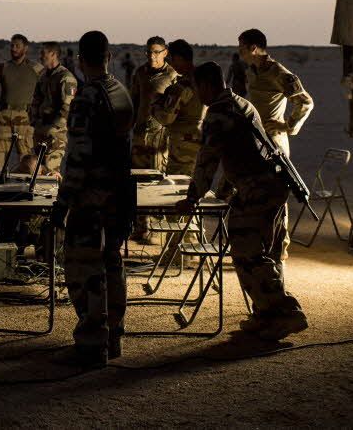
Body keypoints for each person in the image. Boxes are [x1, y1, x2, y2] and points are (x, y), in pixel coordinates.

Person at [177, 62, 308, 340]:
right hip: (271, 187)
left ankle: (286, 312)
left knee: (249, 254)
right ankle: (266, 315)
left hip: (257, 190)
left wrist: (192, 197)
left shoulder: (219, 113)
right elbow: (236, 153)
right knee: (268, 253)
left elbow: (208, 160)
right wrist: (223, 195)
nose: (198, 96)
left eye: (198, 88)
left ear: (207, 85)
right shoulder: (242, 103)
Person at [50, 30, 134, 367]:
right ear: (109, 56)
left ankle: (92, 342)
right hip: (119, 194)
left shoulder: (87, 97)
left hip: (91, 198)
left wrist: (63, 202)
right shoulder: (120, 92)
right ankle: (114, 335)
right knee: (113, 264)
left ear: (81, 61)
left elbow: (79, 155)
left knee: (86, 269)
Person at [128, 35, 178, 243]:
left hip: (160, 137)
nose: (152, 56)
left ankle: (161, 228)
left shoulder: (172, 75)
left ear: (165, 52)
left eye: (156, 52)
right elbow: (134, 101)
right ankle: (142, 227)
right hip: (140, 135)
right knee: (138, 181)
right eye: (149, 51)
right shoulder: (140, 73)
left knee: (159, 180)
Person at [236, 29, 314, 156]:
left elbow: (305, 102)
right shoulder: (251, 72)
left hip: (274, 144)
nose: (240, 54)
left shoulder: (278, 73)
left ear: (253, 48)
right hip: (256, 139)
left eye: (242, 49)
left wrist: (287, 126)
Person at [0, 33, 42, 171]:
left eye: (17, 46)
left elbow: (48, 86)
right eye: (12, 45)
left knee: (26, 158)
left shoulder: (36, 68)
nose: (13, 48)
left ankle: (24, 189)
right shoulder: (3, 67)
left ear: (25, 48)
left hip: (25, 117)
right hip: (4, 117)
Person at [150, 39, 204, 177]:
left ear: (180, 58)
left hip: (182, 149)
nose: (171, 64)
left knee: (177, 187)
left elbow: (166, 118)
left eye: (172, 59)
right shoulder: (204, 80)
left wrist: (155, 104)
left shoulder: (182, 87)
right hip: (200, 142)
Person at [30, 41, 78, 175]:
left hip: (55, 133)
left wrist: (54, 125)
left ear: (53, 54)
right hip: (40, 130)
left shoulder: (66, 78)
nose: (40, 56)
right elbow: (36, 99)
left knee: (51, 171)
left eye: (43, 53)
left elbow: (68, 106)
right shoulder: (44, 76)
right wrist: (34, 120)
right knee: (37, 170)